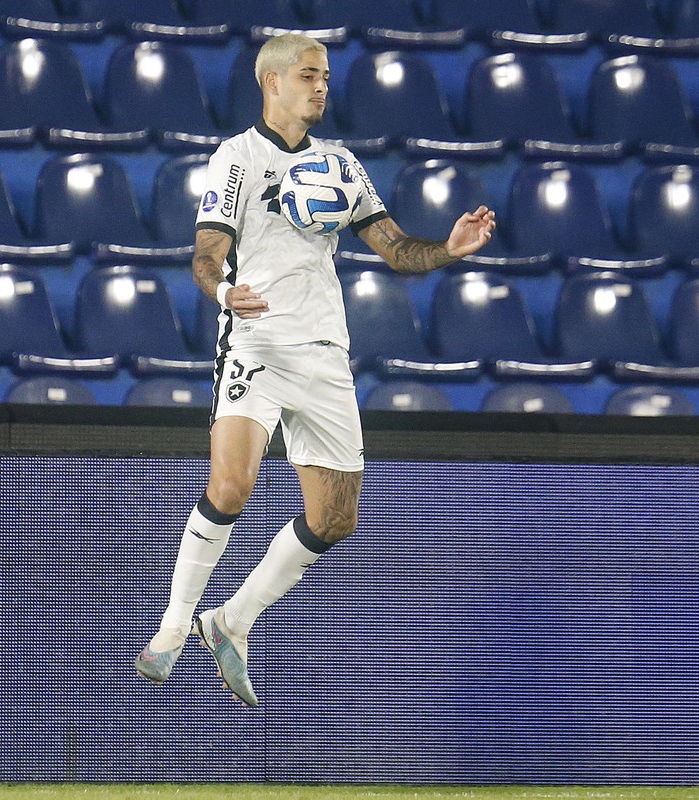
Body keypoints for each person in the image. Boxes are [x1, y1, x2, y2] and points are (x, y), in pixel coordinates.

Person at [134, 33, 496, 706]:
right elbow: (206, 256)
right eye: (308, 75)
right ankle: (173, 627)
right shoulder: (236, 159)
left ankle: (231, 621)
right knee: (233, 483)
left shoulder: (341, 163)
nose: (321, 86)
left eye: (325, 76)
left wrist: (447, 248)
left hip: (324, 352)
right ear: (272, 82)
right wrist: (223, 293)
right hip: (256, 342)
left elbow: (393, 248)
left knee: (336, 517)